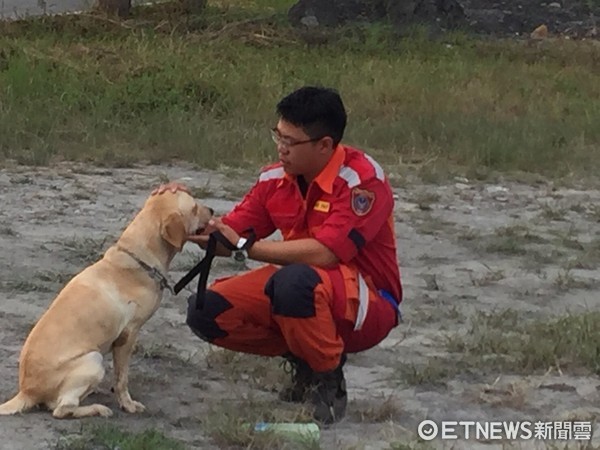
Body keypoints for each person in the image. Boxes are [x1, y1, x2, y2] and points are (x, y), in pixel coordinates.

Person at [155, 86, 402, 424]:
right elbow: (229, 235)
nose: (281, 149)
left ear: (325, 145)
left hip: (368, 301)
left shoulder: (362, 180)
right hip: (301, 287)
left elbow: (327, 253)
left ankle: (328, 377)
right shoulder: (275, 178)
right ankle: (306, 359)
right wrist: (181, 208)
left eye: (291, 141)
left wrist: (250, 249)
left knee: (293, 282)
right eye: (278, 136)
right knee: (205, 310)